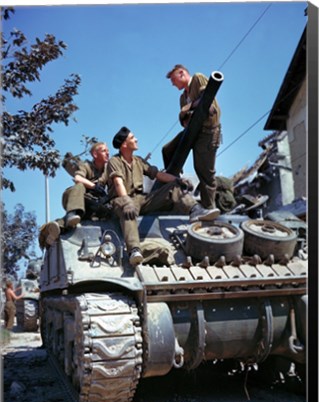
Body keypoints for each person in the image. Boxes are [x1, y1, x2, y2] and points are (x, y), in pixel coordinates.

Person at [107, 126, 220, 266]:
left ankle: (195, 210)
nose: (136, 139)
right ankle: (134, 250)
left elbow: (158, 175)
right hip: (120, 199)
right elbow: (118, 183)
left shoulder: (138, 161)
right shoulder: (114, 162)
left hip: (141, 199)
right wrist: (126, 201)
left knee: (173, 188)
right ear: (124, 144)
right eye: (132, 138)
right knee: (128, 212)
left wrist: (177, 180)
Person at [163, 64, 221, 214]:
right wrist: (189, 109)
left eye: (173, 80)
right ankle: (176, 184)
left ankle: (209, 208)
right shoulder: (183, 97)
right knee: (167, 150)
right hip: (191, 131)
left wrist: (189, 108)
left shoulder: (197, 78)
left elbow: (206, 100)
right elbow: (183, 119)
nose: (173, 84)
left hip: (207, 132)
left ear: (182, 74)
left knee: (204, 171)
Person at [39, 142, 110, 248]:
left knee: (77, 222)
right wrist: (94, 187)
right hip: (74, 197)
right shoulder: (86, 166)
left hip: (90, 204)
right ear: (95, 154)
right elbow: (78, 179)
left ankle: (52, 230)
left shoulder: (108, 170)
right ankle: (71, 213)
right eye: (104, 151)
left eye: (108, 151)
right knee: (80, 186)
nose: (108, 153)